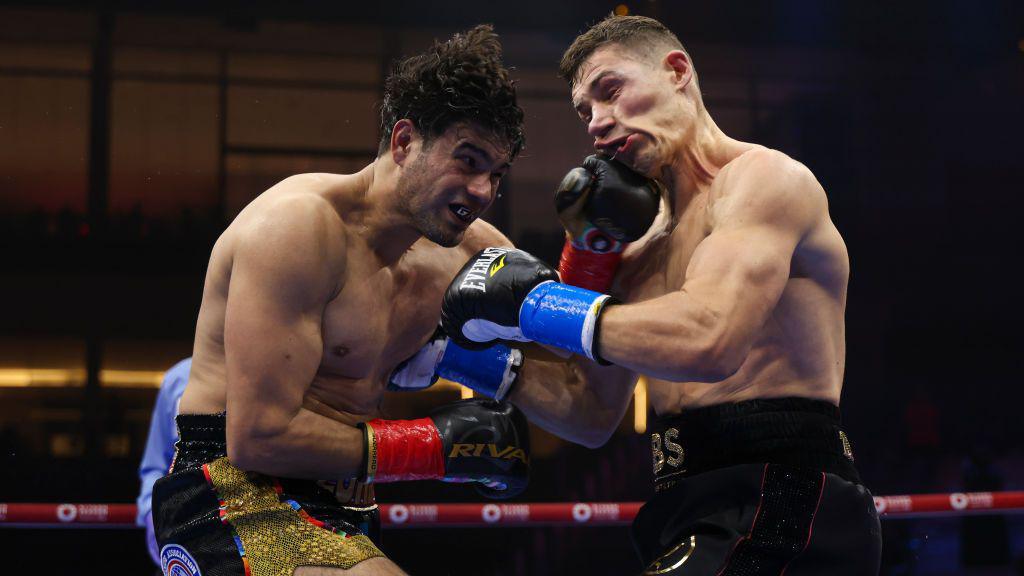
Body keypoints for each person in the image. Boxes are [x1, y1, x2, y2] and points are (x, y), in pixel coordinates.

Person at [441, 14, 882, 575]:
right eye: (586, 111)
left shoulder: (764, 181)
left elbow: (709, 339)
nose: (599, 122)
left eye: (611, 90)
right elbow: (592, 413)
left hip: (783, 497)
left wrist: (534, 305)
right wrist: (461, 357)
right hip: (684, 501)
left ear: (677, 72)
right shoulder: (636, 244)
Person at [152, 26, 531, 576]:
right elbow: (257, 435)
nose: (482, 191)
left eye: (496, 175)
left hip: (355, 502)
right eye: (467, 161)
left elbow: (586, 412)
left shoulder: (475, 255)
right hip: (235, 493)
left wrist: (602, 248)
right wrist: (432, 447)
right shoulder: (301, 228)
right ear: (403, 143)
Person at [136, 357, 191, 567]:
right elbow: (155, 464)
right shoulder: (179, 378)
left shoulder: (268, 369)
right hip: (183, 525)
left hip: (254, 522)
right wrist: (152, 511)